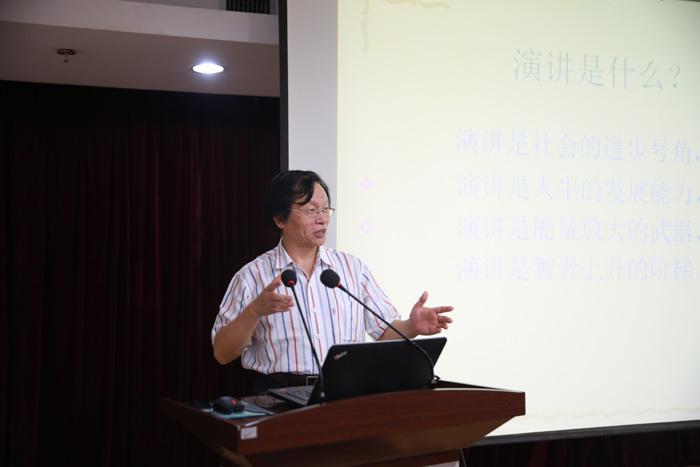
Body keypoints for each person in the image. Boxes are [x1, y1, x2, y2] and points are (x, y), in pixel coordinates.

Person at [211, 170, 453, 393]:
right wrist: (254, 311)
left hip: (345, 391)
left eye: (326, 209)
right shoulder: (252, 276)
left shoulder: (352, 268)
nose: (322, 219)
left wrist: (411, 325)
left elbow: (383, 332)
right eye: (310, 210)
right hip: (279, 396)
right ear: (280, 219)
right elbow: (222, 353)